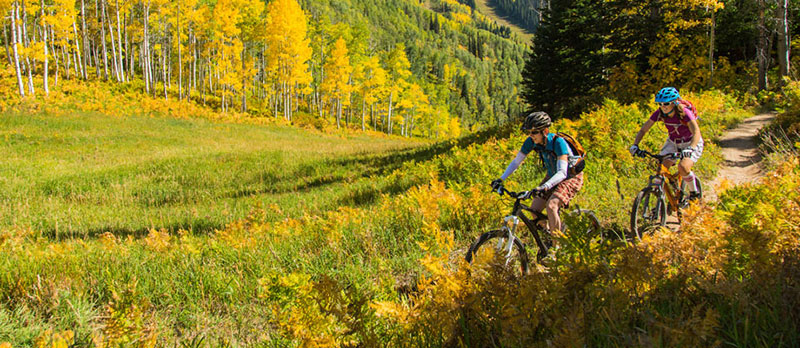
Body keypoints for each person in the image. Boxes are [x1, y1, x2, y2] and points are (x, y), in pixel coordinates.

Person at [490, 111, 585, 233]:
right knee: (534, 210)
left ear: (545, 131)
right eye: (529, 132)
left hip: (570, 176)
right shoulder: (531, 142)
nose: (531, 135)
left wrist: (545, 186)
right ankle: (549, 238)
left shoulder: (558, 143)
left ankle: (557, 248)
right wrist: (500, 179)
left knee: (552, 206)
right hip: (552, 175)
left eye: (534, 132)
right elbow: (516, 162)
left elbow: (562, 172)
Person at [629, 87, 703, 200]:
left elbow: (696, 131)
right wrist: (635, 145)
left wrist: (691, 148)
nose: (663, 106)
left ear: (674, 102)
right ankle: (660, 200)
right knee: (661, 169)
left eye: (666, 103)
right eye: (660, 104)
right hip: (673, 142)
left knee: (683, 167)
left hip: (691, 141)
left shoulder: (685, 112)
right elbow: (644, 129)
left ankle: (694, 194)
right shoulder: (660, 113)